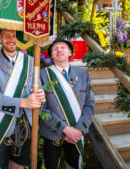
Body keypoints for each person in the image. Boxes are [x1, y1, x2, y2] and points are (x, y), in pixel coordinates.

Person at [0, 29, 45, 169]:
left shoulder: (30, 61)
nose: (11, 39)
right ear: (0, 37)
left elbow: (36, 88)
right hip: (0, 125)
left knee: (19, 166)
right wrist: (23, 102)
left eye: (15, 36)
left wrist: (40, 95)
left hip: (26, 125)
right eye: (7, 36)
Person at [39, 38, 95, 169]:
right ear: (51, 55)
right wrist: (65, 129)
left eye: (63, 47)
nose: (59, 50)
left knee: (73, 165)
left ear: (70, 52)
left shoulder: (82, 74)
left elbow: (89, 104)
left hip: (76, 132)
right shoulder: (42, 75)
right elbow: (41, 109)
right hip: (52, 132)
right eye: (55, 48)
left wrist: (78, 129)